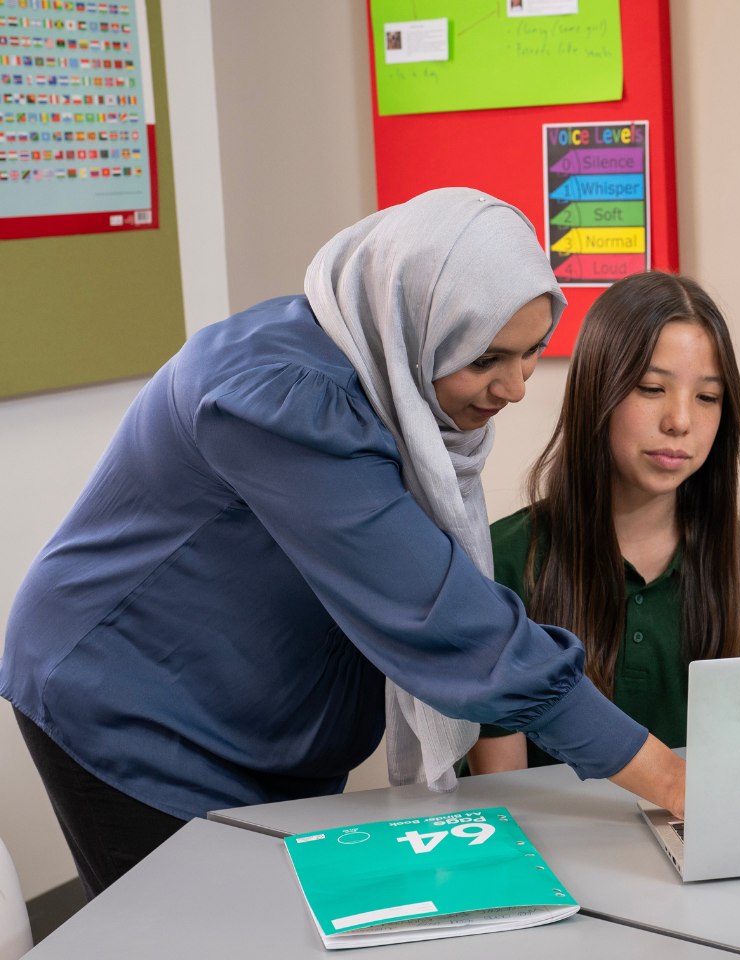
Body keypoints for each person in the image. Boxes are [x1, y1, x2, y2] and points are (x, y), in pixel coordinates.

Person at [0, 189, 684, 899]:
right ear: (418, 318)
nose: (513, 387)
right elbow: (443, 615)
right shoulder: (280, 400)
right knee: (200, 928)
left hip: (253, 711)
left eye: (532, 353)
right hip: (127, 699)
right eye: (486, 359)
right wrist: (666, 777)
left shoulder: (389, 370)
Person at [467, 272, 740, 773]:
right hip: (550, 849)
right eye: (652, 388)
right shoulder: (506, 560)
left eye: (707, 397)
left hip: (703, 845)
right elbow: (505, 796)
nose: (680, 421)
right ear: (596, 392)